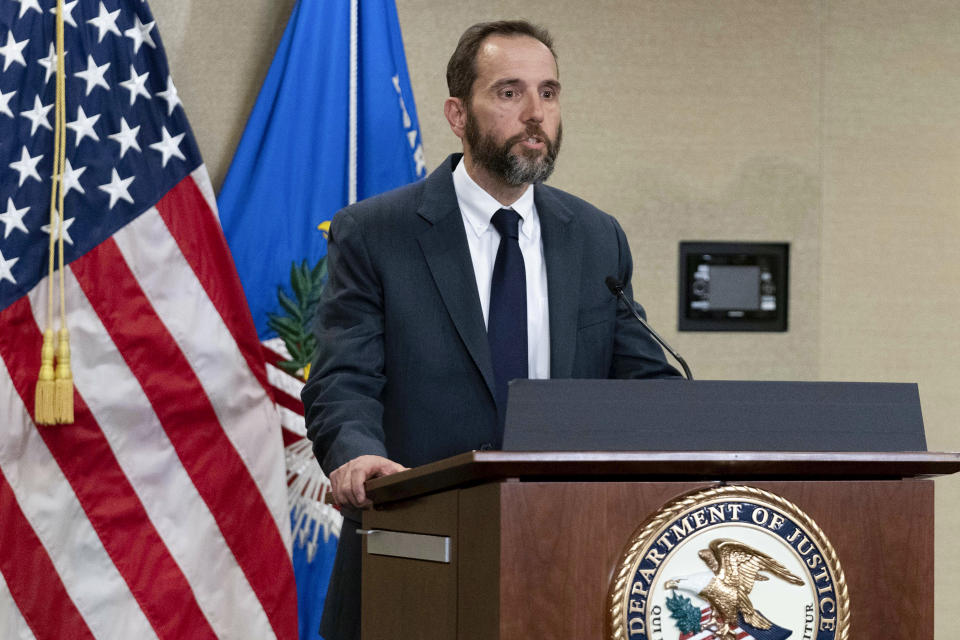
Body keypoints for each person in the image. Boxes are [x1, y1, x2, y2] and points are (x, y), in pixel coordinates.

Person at [301, 19, 680, 640]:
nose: (536, 114)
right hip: (418, 550)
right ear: (458, 113)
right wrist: (356, 451)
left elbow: (639, 382)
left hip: (571, 556)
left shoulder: (594, 236)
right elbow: (344, 376)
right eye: (510, 93)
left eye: (549, 93)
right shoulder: (377, 232)